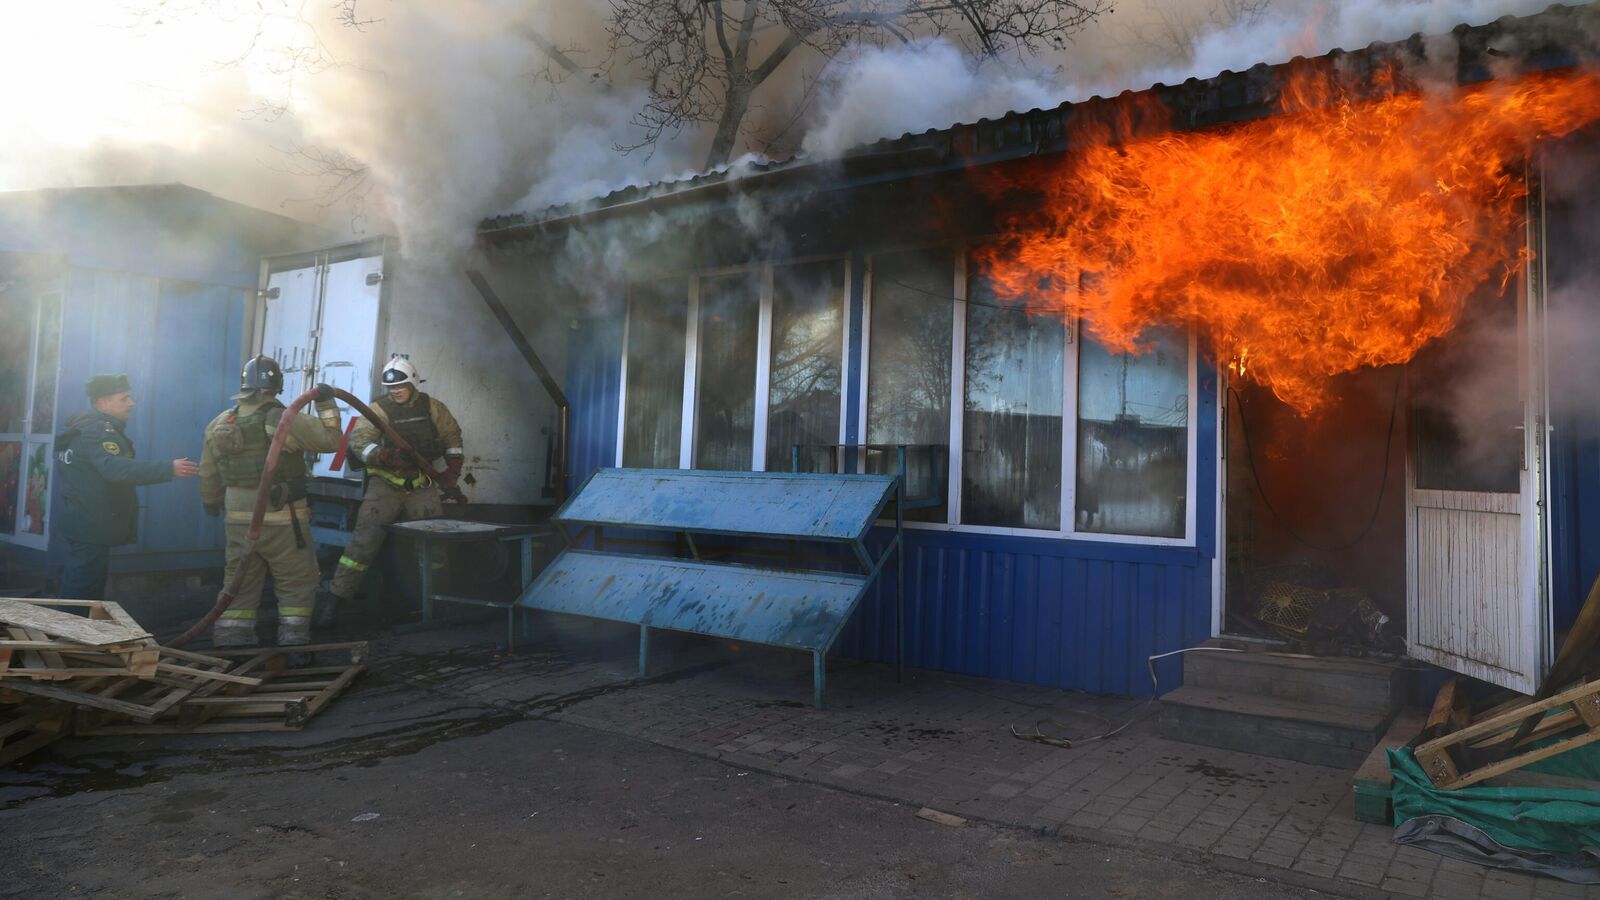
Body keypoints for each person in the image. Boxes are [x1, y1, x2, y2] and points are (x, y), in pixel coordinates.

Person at [198, 356, 342, 648]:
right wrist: (327, 405)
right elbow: (331, 441)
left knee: (240, 578)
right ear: (277, 385)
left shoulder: (220, 422)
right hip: (281, 517)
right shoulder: (282, 417)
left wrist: (211, 500)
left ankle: (231, 637)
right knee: (296, 578)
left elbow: (208, 470)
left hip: (237, 519)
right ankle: (293, 640)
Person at [324, 355, 464, 624]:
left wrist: (453, 469)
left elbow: (452, 436)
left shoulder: (433, 408)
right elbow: (360, 442)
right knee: (362, 545)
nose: (395, 391)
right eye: (391, 388)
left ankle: (437, 603)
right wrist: (384, 456)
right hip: (385, 486)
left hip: (422, 485)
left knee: (435, 545)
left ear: (413, 383)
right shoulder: (377, 410)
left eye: (400, 386)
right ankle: (334, 601)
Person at [54, 374, 199, 600]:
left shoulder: (81, 427)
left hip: (83, 521)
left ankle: (74, 632)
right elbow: (117, 469)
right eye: (124, 398)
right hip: (91, 525)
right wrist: (167, 468)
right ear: (103, 403)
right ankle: (68, 633)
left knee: (83, 588)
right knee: (81, 593)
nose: (132, 403)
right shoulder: (97, 431)